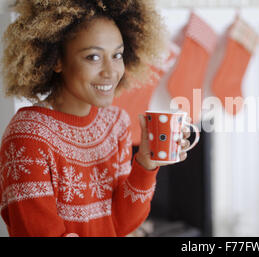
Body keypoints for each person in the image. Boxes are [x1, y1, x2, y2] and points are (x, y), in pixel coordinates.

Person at [0, 0, 192, 237]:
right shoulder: (27, 136)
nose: (111, 72)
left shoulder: (116, 123)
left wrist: (145, 163)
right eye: (93, 57)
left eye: (117, 55)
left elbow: (120, 225)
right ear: (56, 60)